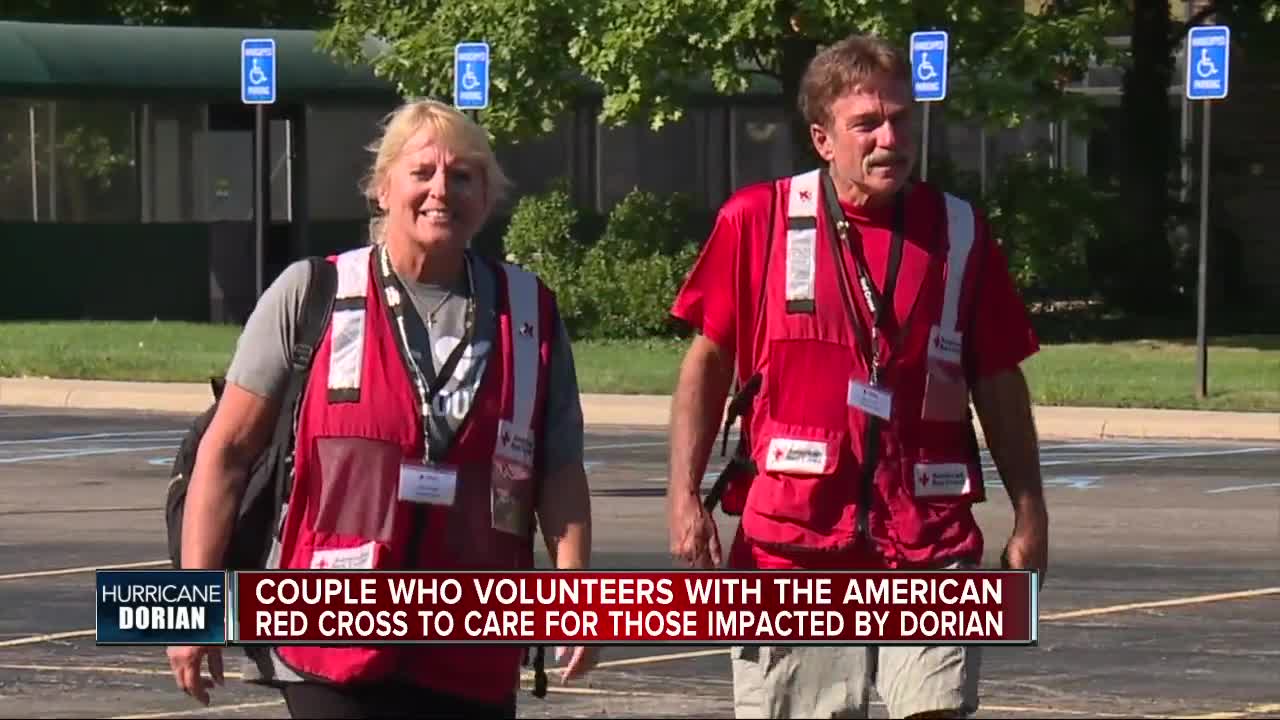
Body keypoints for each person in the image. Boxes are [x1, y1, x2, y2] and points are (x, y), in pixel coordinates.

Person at [167, 98, 597, 718]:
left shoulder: (528, 312)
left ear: (486, 195)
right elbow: (227, 454)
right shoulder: (311, 293)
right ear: (382, 186)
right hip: (328, 639)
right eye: (422, 172)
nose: (441, 190)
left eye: (463, 176)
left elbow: (558, 471)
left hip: (471, 642)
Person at [666, 34, 1049, 719]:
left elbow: (997, 377)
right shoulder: (757, 221)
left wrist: (1030, 510)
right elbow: (707, 362)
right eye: (866, 123)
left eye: (901, 118)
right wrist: (683, 496)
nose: (889, 138)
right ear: (822, 138)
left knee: (937, 708)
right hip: (794, 544)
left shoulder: (960, 232)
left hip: (928, 537)